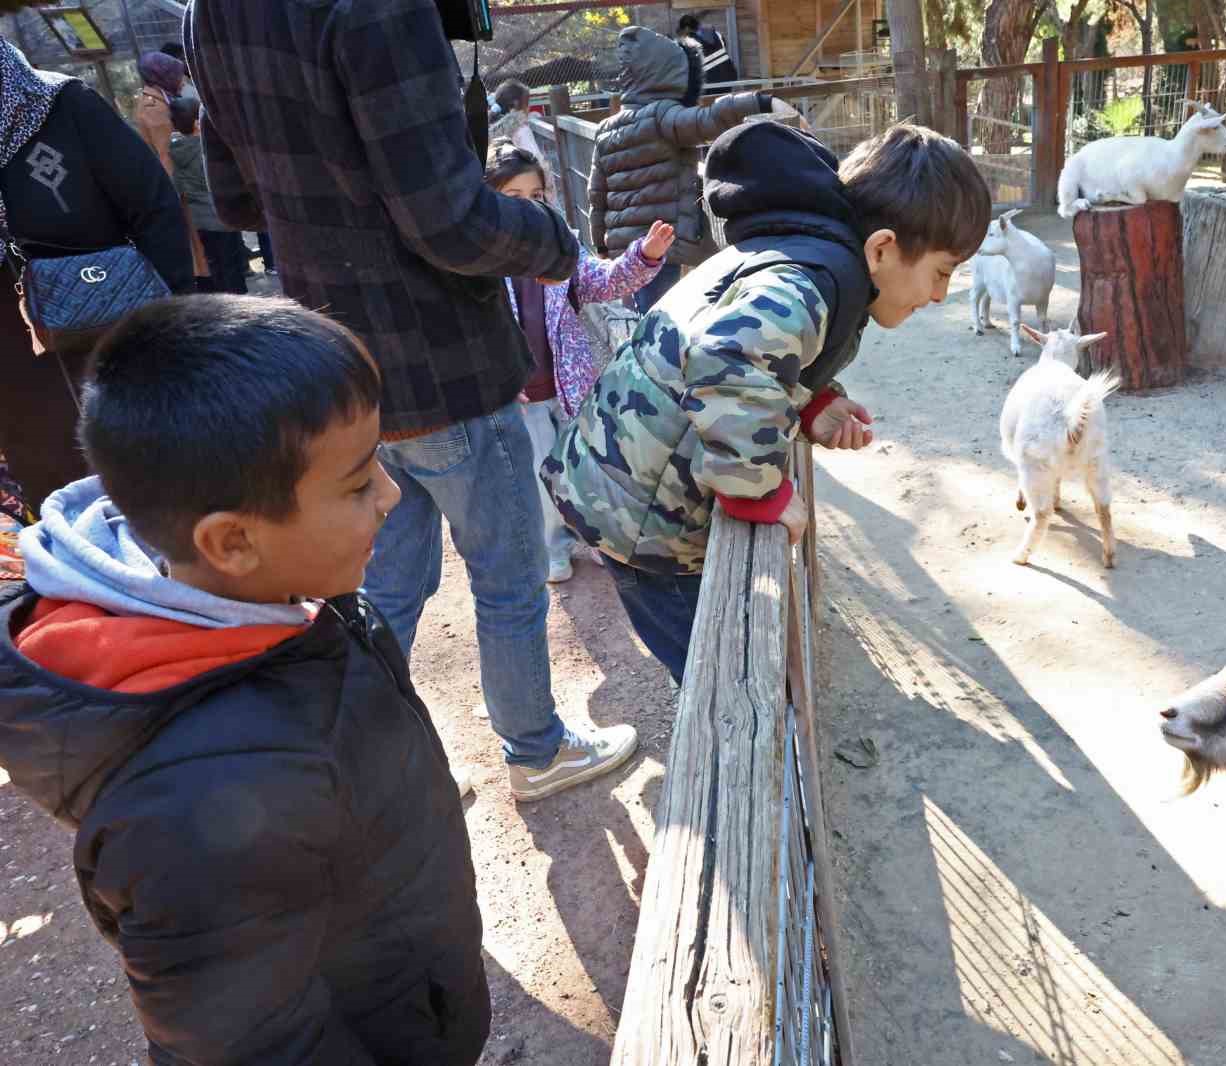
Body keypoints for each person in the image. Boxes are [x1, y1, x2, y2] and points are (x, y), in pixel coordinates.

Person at [0, 295, 491, 1066]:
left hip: (407, 979)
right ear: (231, 541)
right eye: (360, 483)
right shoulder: (194, 812)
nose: (392, 496)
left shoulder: (278, 588)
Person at [187, 0, 635, 802]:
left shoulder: (209, 10)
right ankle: (536, 751)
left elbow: (237, 198)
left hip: (339, 373)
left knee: (383, 586)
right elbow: (450, 219)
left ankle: (389, 764)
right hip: (446, 367)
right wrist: (551, 243)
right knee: (506, 577)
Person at [546, 121, 990, 683]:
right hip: (641, 521)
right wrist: (759, 493)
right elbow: (728, 356)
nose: (939, 295)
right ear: (881, 248)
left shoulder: (806, 252)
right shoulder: (810, 280)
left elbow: (759, 352)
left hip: (627, 485)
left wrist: (812, 403)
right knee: (723, 680)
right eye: (941, 273)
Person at [0, 40, 192, 514]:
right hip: (16, 383)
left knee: (160, 489)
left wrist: (171, 328)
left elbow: (154, 206)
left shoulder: (60, 105)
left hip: (110, 343)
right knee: (57, 502)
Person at [483, 138, 671, 584]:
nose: (528, 207)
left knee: (583, 466)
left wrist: (644, 257)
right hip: (519, 391)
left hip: (571, 385)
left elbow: (601, 282)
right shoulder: (478, 261)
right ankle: (554, 547)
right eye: (512, 198)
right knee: (540, 473)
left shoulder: (558, 244)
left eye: (536, 195)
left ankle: (600, 537)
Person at [589, 25, 771, 314]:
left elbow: (597, 196)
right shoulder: (663, 116)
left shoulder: (606, 128)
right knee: (666, 317)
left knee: (642, 314)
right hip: (664, 245)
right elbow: (708, 120)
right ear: (668, 73)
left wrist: (600, 244)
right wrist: (759, 101)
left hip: (624, 250)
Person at [133, 50, 208, 286]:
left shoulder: (162, 98)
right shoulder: (155, 109)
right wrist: (180, 190)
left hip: (182, 183)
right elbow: (168, 153)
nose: (182, 79)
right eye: (176, 75)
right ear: (161, 76)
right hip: (179, 186)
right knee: (194, 242)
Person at [169, 97, 248, 294]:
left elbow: (178, 185)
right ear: (198, 123)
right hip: (220, 216)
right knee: (232, 264)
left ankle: (224, 302)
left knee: (215, 263)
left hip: (200, 220)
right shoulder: (204, 148)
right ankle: (239, 303)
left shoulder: (176, 149)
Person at [676, 13, 739, 85]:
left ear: (687, 28)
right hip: (729, 75)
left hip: (710, 81)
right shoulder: (716, 33)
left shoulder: (689, 41)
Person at [488, 79, 538, 156]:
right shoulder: (521, 129)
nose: (529, 108)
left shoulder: (491, 127)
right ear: (516, 103)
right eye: (527, 103)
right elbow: (535, 157)